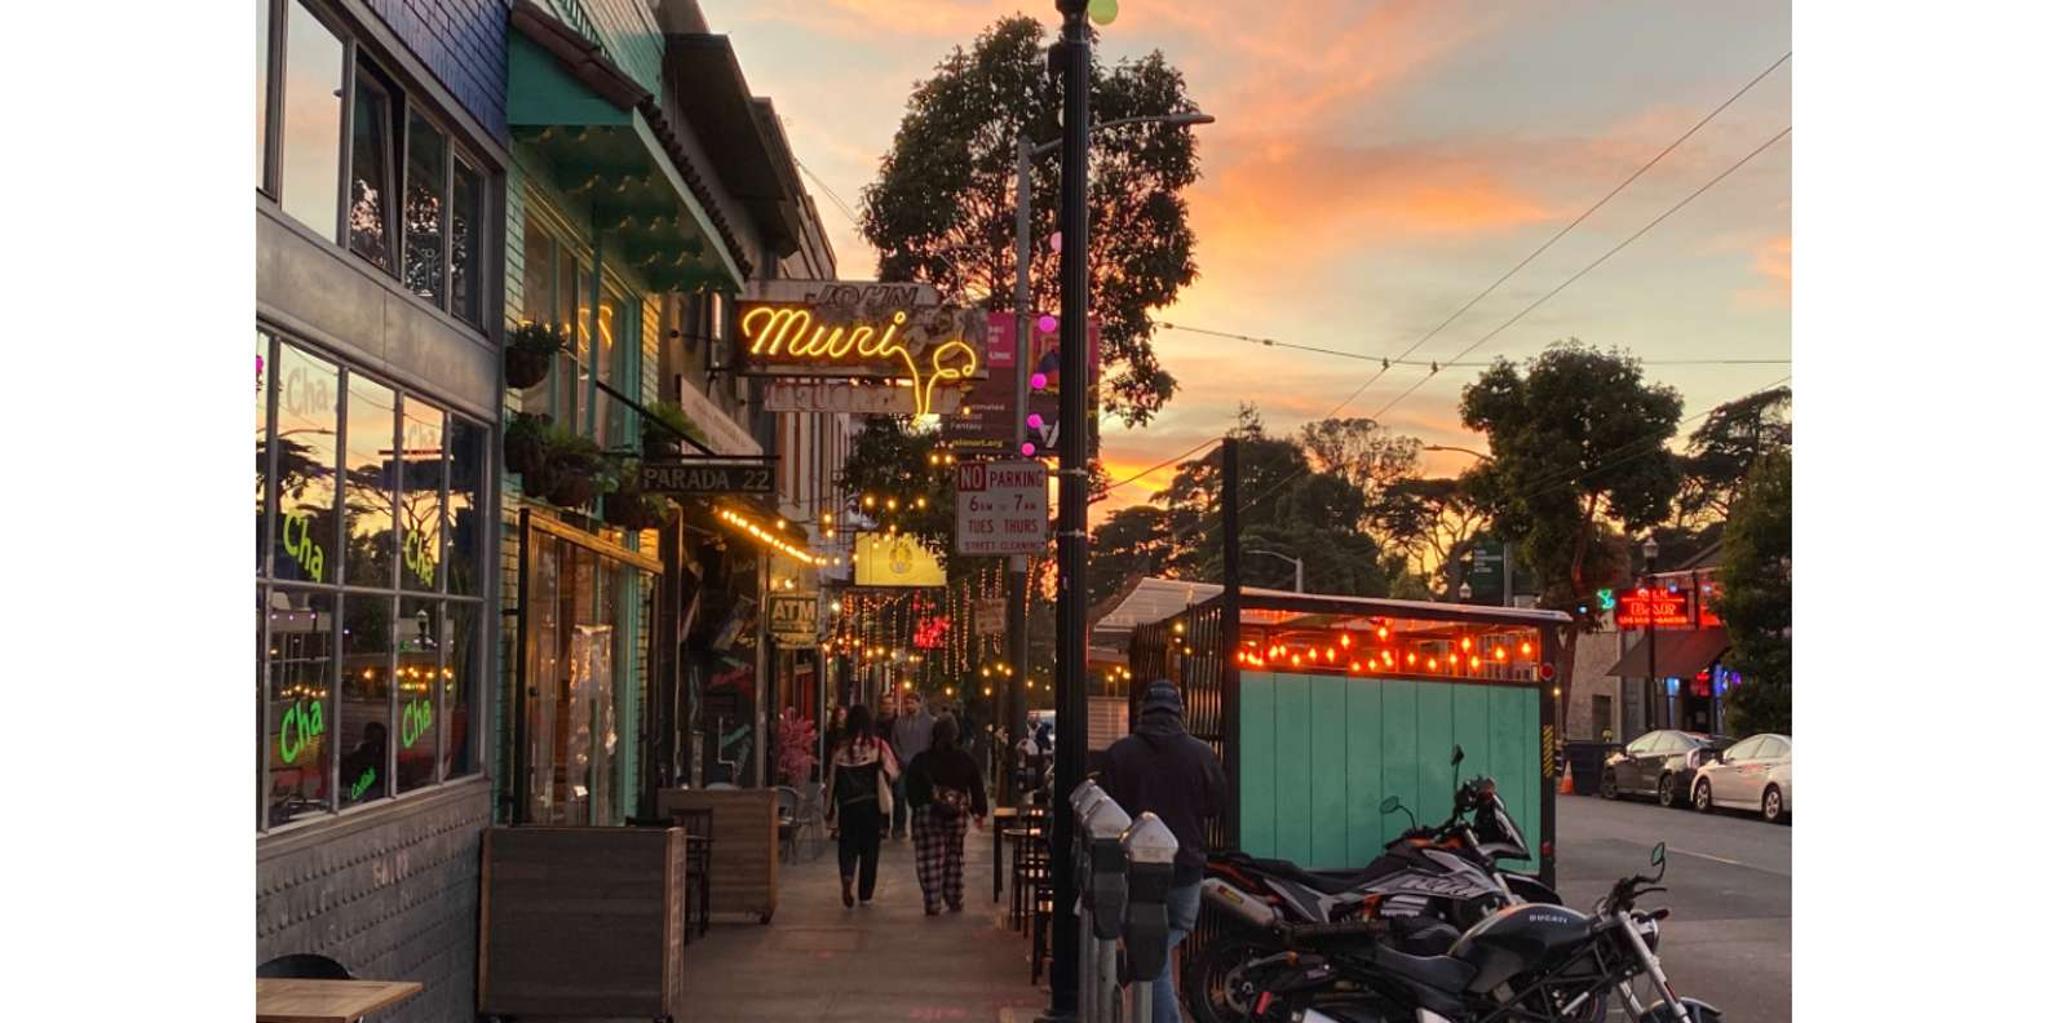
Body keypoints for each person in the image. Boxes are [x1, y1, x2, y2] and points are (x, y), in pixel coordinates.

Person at [1098, 680, 1227, 1023]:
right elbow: (1216, 804)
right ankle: (1136, 971)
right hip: (1185, 868)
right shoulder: (1202, 754)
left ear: (1143, 712)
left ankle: (1131, 968)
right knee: (1167, 938)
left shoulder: (1120, 754)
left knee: (1147, 948)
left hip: (1133, 873)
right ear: (1180, 713)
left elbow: (1106, 815)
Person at [903, 717, 989, 914]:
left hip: (928, 814)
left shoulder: (921, 760)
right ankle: (954, 898)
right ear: (956, 734)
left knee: (929, 858)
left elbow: (911, 789)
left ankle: (932, 901)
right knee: (954, 856)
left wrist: (918, 805)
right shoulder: (965, 759)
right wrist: (979, 812)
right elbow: (976, 787)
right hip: (956, 815)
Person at [823, 705, 900, 908]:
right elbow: (894, 771)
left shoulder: (840, 748)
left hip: (847, 805)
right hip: (871, 805)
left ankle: (848, 875)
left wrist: (829, 808)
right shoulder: (878, 746)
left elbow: (832, 780)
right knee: (870, 850)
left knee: (847, 845)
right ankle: (865, 894)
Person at [888, 691, 935, 839]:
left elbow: (931, 743)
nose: (909, 705)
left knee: (918, 799)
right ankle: (899, 827)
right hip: (902, 764)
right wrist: (899, 757)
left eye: (912, 702)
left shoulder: (929, 722)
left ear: (919, 703)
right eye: (907, 702)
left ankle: (917, 829)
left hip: (921, 766)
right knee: (899, 796)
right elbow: (894, 742)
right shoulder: (899, 722)